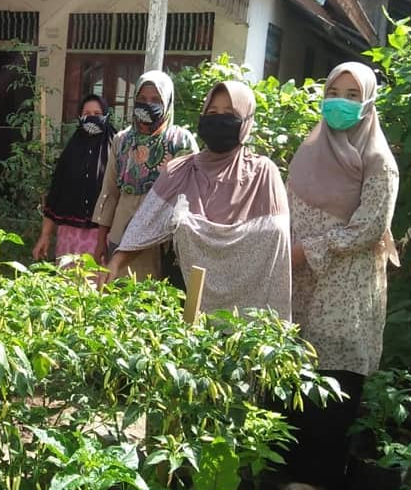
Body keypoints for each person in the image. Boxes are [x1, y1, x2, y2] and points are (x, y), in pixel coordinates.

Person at [278, 62, 400, 490]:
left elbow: (369, 228)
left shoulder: (378, 161)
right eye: (335, 91)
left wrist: (309, 249)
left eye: (353, 94)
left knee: (334, 380)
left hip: (345, 286)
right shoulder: (311, 148)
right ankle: (289, 462)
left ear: (368, 101)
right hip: (302, 279)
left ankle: (319, 477)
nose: (342, 102)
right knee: (296, 370)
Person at [107, 80, 291, 318]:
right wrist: (115, 264)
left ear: (246, 121)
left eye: (230, 114)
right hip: (186, 303)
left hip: (247, 316)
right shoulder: (180, 171)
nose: (219, 119)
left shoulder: (263, 174)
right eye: (212, 112)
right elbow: (143, 225)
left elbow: (279, 254)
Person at [91, 70, 198, 279]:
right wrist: (100, 240)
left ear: (167, 101)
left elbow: (194, 196)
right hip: (121, 233)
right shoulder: (122, 141)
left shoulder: (180, 142)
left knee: (154, 300)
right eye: (141, 99)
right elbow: (110, 192)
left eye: (156, 99)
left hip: (161, 239)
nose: (147, 104)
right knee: (119, 296)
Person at [32, 94, 116, 263]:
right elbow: (56, 194)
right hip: (70, 236)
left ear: (106, 116)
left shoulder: (117, 148)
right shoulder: (71, 151)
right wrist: (45, 236)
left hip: (103, 235)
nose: (92, 118)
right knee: (68, 285)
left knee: (98, 286)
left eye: (97, 114)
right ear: (80, 117)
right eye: (87, 113)